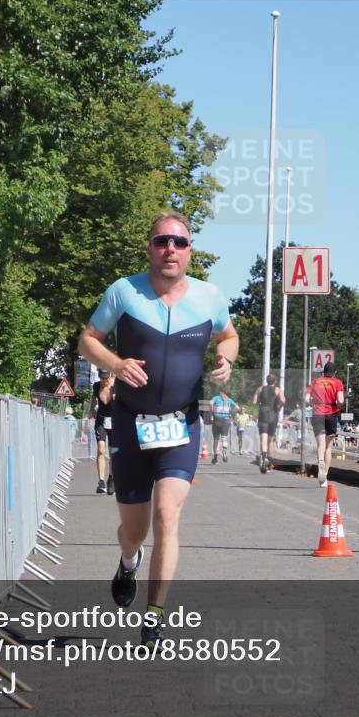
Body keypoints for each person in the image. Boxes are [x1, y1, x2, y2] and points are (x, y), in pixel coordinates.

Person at [77, 211, 238, 649]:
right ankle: (129, 560)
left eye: (180, 243)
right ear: (150, 247)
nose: (171, 249)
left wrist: (226, 358)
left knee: (168, 515)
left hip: (181, 425)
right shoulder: (124, 292)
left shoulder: (209, 297)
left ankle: (154, 616)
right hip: (131, 424)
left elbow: (228, 334)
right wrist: (115, 364)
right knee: (135, 529)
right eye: (162, 241)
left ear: (190, 252)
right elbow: (87, 339)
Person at [304, 361, 345, 487]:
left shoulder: (315, 381)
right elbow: (340, 400)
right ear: (335, 372)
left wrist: (313, 404)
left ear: (323, 371)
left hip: (318, 413)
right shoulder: (337, 382)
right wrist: (337, 406)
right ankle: (324, 476)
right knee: (328, 447)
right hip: (331, 415)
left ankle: (320, 461)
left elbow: (306, 399)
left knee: (320, 444)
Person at [87, 369, 115, 495]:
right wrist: (92, 409)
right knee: (101, 449)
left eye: (106, 378)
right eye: (102, 378)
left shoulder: (116, 385)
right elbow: (94, 399)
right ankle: (101, 481)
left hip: (115, 421)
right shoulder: (96, 386)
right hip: (101, 420)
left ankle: (112, 479)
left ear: (110, 375)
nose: (105, 381)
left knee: (113, 452)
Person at [252, 374, 286, 473]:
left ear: (266, 380)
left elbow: (254, 402)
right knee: (271, 440)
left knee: (263, 438)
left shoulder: (260, 388)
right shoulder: (278, 390)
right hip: (273, 414)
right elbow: (283, 400)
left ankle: (263, 458)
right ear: (275, 381)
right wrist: (279, 407)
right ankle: (268, 463)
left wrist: (259, 403)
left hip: (263, 413)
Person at [210, 390, 237, 464]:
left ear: (220, 392)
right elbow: (237, 407)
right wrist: (231, 412)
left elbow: (210, 403)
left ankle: (215, 459)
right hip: (226, 419)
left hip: (217, 419)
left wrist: (212, 410)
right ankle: (224, 450)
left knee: (216, 439)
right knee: (224, 438)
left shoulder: (216, 398)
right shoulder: (229, 400)